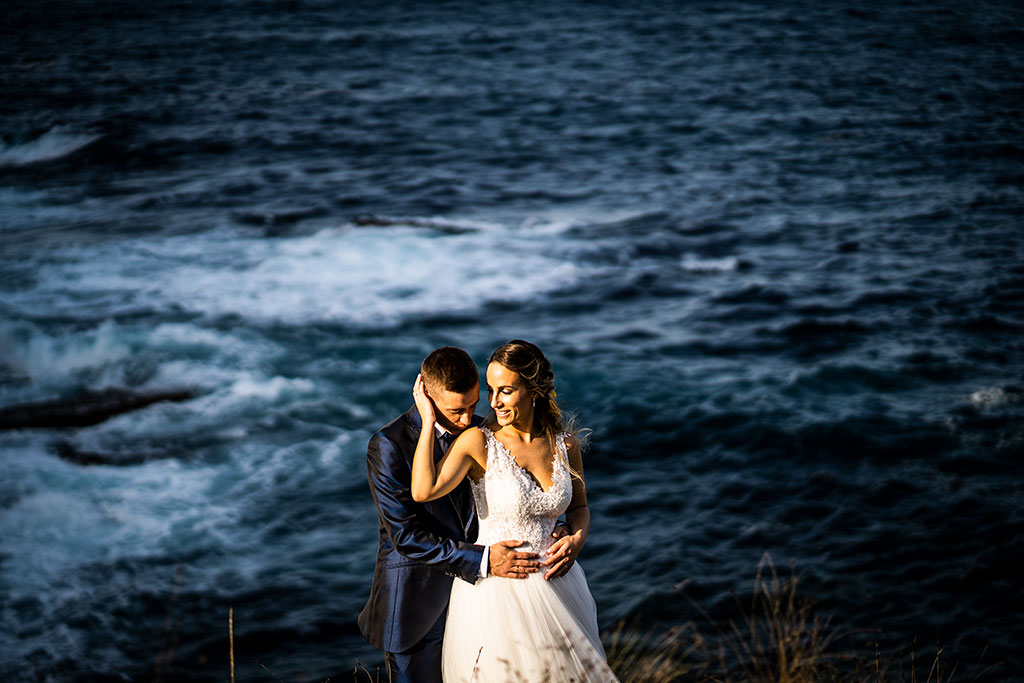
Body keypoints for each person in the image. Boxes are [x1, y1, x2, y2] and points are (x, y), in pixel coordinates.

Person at [411, 339, 618, 682]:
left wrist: (577, 540)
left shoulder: (566, 444)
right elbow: (423, 490)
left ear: (533, 389)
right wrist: (428, 419)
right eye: (491, 390)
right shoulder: (479, 442)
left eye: (505, 390)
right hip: (499, 597)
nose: (494, 402)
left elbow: (579, 507)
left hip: (563, 588)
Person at [358, 346, 546, 683]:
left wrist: (557, 528)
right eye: (456, 410)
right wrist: (486, 560)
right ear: (426, 396)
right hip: (418, 607)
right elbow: (407, 537)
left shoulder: (482, 432)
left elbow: (522, 493)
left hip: (486, 601)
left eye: (473, 406)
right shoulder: (389, 444)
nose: (465, 420)